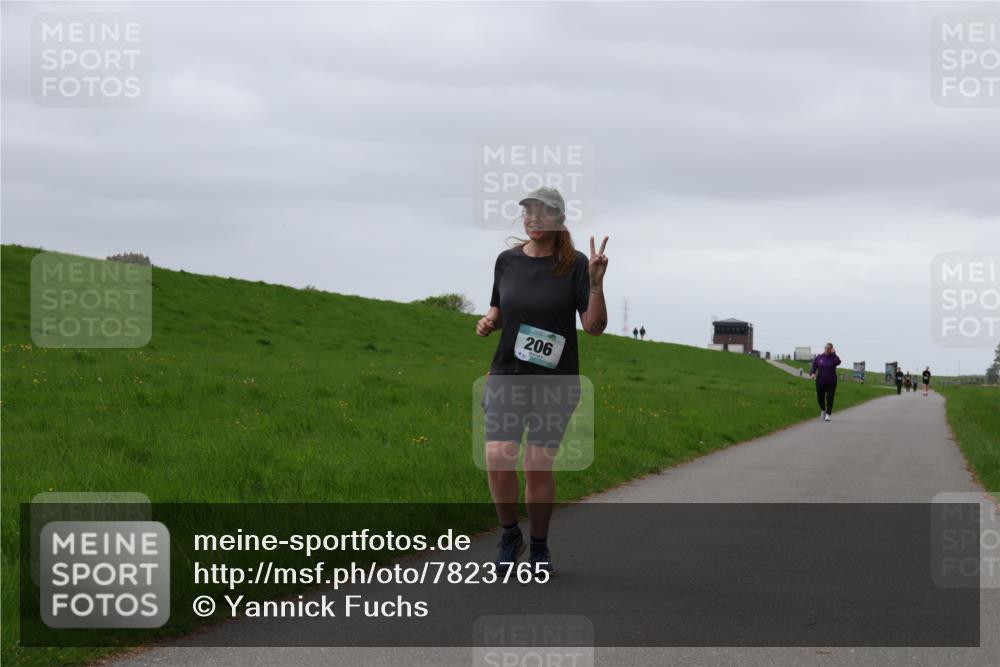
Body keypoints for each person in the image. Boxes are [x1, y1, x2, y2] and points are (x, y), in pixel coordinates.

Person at [476, 186, 609, 576]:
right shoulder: (507, 261)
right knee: (498, 456)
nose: (534, 218)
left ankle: (538, 546)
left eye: (543, 212)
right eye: (528, 212)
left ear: (558, 219)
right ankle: (508, 535)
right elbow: (499, 309)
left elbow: (594, 328)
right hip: (506, 375)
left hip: (554, 382)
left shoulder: (575, 264)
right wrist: (488, 321)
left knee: (536, 465)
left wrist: (597, 283)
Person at [810, 342, 841, 422]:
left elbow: (838, 362)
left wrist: (834, 354)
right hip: (820, 381)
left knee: (830, 398)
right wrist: (813, 373)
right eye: (825, 348)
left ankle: (828, 414)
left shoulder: (833, 358)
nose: (826, 349)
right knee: (820, 398)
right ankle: (823, 410)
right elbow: (814, 365)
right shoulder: (819, 357)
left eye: (828, 348)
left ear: (831, 349)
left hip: (831, 381)